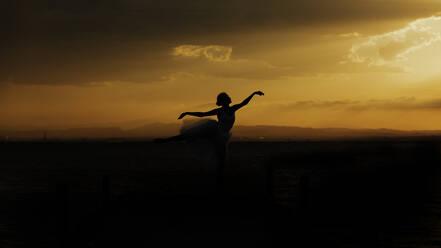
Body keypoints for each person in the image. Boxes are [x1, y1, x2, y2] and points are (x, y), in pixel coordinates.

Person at [154, 91, 264, 191]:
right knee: (190, 134)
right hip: (214, 131)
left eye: (226, 99)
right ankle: (165, 140)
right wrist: (187, 113)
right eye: (223, 100)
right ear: (221, 102)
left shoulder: (233, 108)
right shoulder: (219, 111)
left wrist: (254, 94)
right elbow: (202, 114)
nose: (225, 101)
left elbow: (244, 103)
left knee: (222, 160)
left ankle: (218, 184)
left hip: (222, 137)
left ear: (228, 100)